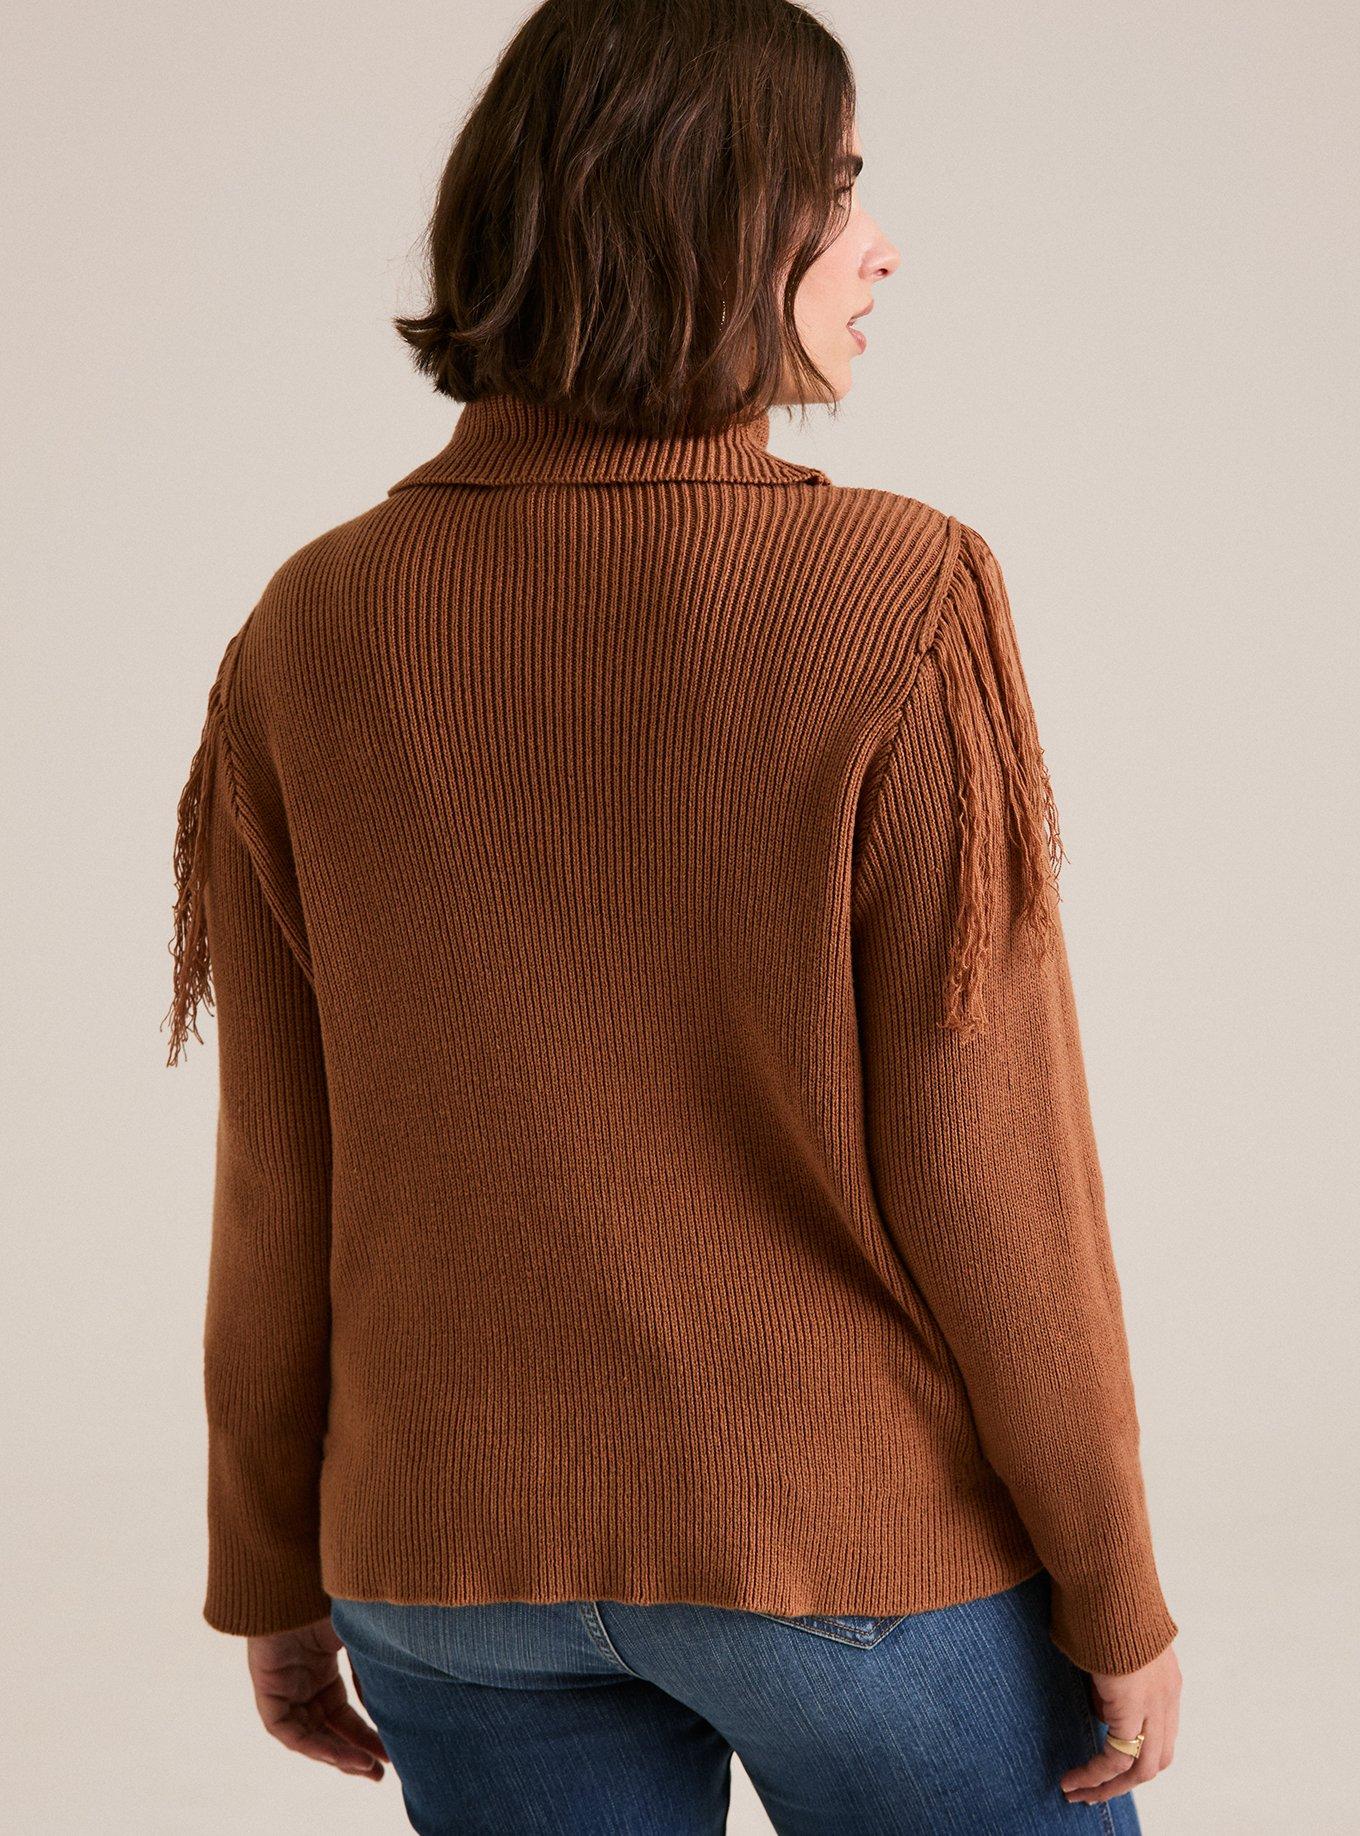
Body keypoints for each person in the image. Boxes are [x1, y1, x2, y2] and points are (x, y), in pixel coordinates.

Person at [166, 0, 1182, 1828]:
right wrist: (1115, 1586)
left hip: (439, 1567)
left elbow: (280, 1161)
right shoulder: (897, 591)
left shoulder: (310, 622)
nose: (881, 245)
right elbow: (991, 1159)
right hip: (838, 1551)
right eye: (838, 192)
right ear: (701, 217)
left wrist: (270, 1568)